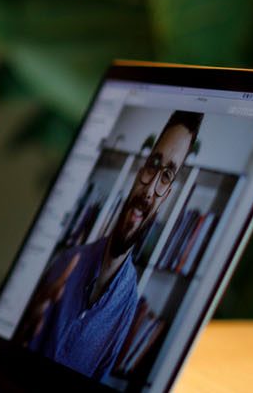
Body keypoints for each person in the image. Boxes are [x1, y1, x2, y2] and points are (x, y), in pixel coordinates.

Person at [12, 110, 203, 380]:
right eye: (153, 165)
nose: (149, 190)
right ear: (140, 169)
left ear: (167, 195)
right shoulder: (67, 261)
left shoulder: (127, 306)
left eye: (167, 175)